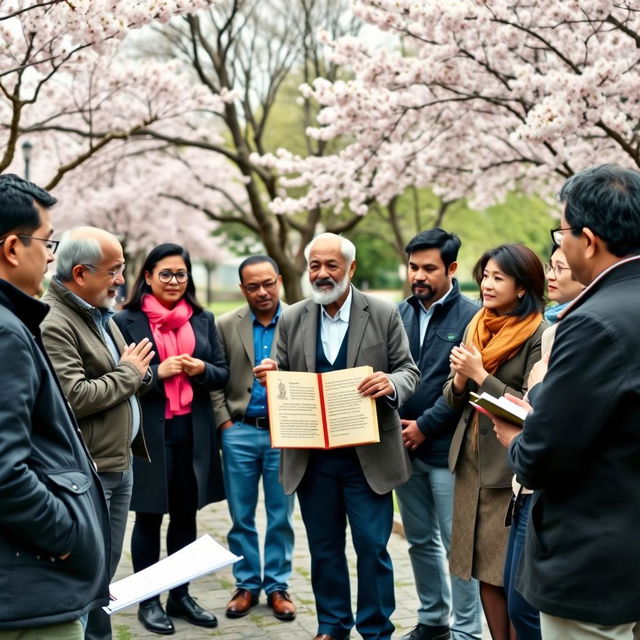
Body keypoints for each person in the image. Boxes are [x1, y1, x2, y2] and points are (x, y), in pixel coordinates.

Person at [494, 165, 640, 640]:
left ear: (589, 239)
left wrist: (516, 436)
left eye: (562, 233)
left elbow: (543, 456)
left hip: (595, 563)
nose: (559, 246)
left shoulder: (593, 320)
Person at [255, 232, 420, 640]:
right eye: (315, 265)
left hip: (369, 458)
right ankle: (332, 625)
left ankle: (376, 629)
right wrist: (273, 377)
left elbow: (409, 371)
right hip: (313, 458)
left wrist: (390, 382)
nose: (322, 274)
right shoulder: (292, 316)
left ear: (351, 269)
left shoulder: (382, 312)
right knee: (324, 549)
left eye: (332, 265)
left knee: (372, 549)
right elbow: (285, 374)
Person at [0, 174, 109, 639]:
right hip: (29, 591)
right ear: (11, 248)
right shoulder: (6, 332)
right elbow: (5, 470)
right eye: (46, 241)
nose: (50, 254)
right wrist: (67, 534)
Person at [41, 227, 153, 640]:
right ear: (82, 272)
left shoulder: (97, 311)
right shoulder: (55, 321)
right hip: (89, 471)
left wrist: (137, 375)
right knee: (88, 578)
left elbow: (127, 373)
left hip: (117, 463)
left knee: (103, 578)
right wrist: (129, 373)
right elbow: (74, 397)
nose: (122, 279)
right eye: (115, 270)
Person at [115, 243, 229, 635]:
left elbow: (222, 373)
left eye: (181, 274)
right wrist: (155, 373)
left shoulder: (202, 318)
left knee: (186, 515)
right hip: (148, 435)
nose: (174, 282)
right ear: (147, 276)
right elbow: (117, 381)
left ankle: (180, 595)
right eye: (165, 274)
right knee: (148, 517)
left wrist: (200, 369)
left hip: (192, 434)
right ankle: (149, 600)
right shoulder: (124, 321)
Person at [443, 243, 546, 640]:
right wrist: (459, 379)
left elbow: (528, 405)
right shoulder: (477, 324)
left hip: (508, 470)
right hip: (471, 463)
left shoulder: (539, 332)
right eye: (485, 275)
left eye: (498, 277)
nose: (487, 284)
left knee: (510, 575)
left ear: (522, 287)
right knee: (483, 569)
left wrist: (481, 374)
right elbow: (453, 399)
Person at [396, 229, 481, 640]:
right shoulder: (400, 313)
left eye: (429, 268)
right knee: (418, 542)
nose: (419, 275)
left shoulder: (472, 316)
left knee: (456, 545)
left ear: (451, 269)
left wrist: (424, 427)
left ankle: (466, 631)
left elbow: (466, 389)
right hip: (403, 451)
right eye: (414, 267)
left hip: (450, 452)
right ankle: (433, 620)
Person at [499, 244, 584, 640]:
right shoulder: (555, 330)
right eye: (550, 265)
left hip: (546, 484)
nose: (552, 274)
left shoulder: (576, 332)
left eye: (561, 267)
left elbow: (563, 419)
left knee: (528, 608)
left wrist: (524, 424)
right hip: (523, 487)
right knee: (516, 597)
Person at [211, 255, 296, 621]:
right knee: (240, 515)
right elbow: (216, 379)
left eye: (268, 284)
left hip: (284, 433)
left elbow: (312, 372)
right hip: (240, 432)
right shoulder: (226, 324)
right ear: (242, 288)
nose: (262, 292)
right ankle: (246, 584)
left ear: (278, 280)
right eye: (253, 286)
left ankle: (277, 586)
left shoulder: (299, 320)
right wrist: (224, 425)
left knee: (281, 515)